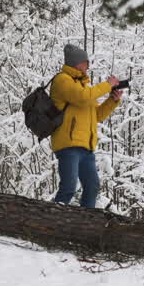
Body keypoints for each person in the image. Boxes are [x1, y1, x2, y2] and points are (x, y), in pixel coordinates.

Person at [49, 43, 124, 209]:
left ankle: (85, 222)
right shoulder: (62, 80)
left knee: (92, 187)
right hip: (68, 144)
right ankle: (53, 220)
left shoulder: (84, 87)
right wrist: (107, 85)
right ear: (76, 63)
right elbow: (83, 97)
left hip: (86, 147)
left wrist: (112, 100)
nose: (88, 66)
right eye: (85, 62)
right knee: (68, 187)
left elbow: (97, 115)